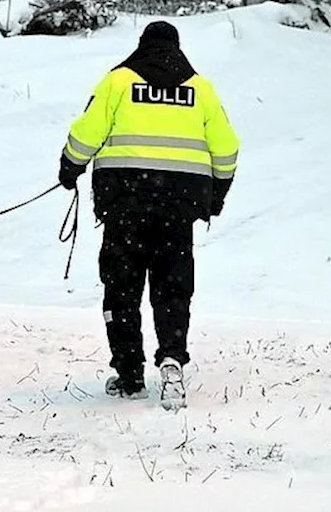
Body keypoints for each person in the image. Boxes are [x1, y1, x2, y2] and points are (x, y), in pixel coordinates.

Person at [57, 20, 239, 409]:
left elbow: (86, 133)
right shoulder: (200, 89)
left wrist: (69, 168)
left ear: (141, 47)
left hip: (125, 205)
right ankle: (172, 358)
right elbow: (227, 149)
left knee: (121, 289)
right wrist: (216, 195)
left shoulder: (118, 82)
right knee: (173, 288)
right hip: (177, 210)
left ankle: (129, 372)